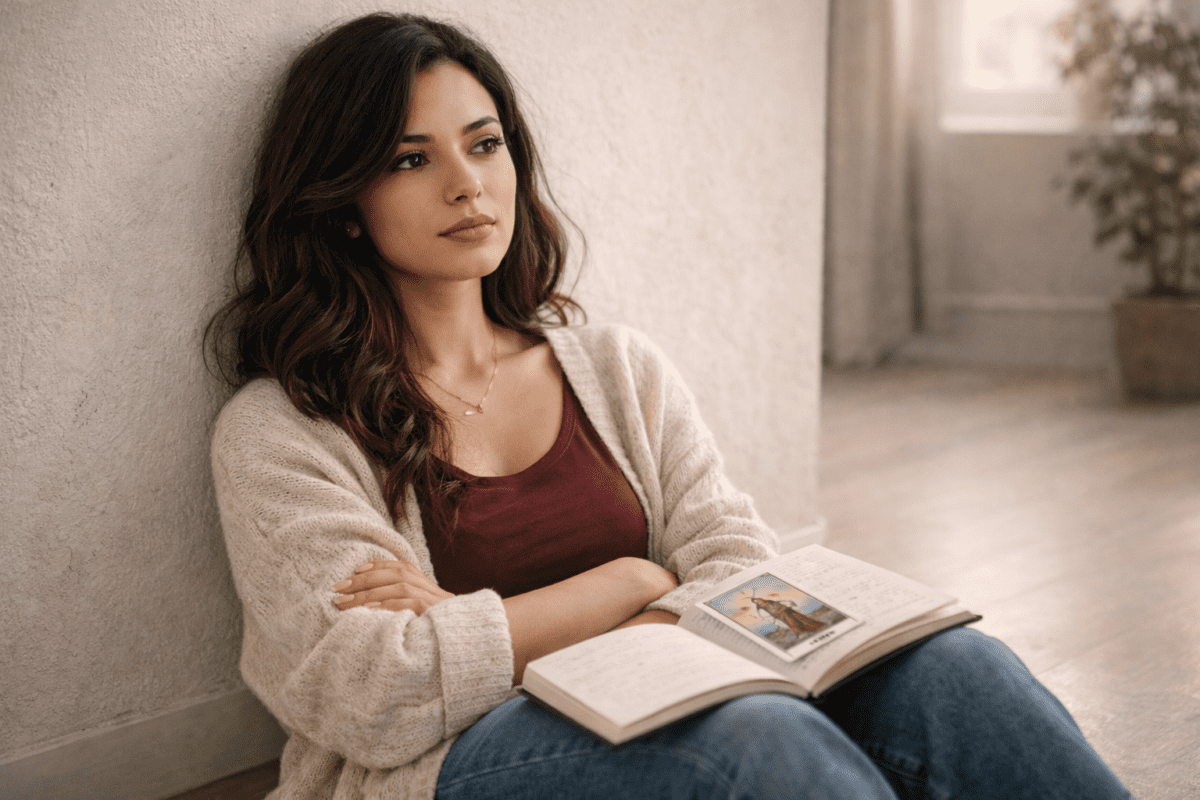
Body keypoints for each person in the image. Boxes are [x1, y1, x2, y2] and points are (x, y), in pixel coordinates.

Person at [207, 12, 1132, 800]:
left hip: (669, 682)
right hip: (459, 761)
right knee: (752, 735)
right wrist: (634, 583)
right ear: (340, 204)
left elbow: (738, 568)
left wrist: (480, 621)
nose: (467, 183)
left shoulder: (618, 371)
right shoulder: (285, 431)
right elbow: (373, 690)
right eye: (411, 158)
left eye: (484, 143)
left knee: (954, 670)